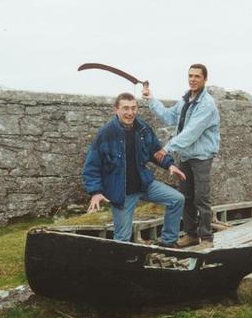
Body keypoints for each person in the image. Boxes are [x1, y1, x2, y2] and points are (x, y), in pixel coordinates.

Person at [82, 92, 187, 247]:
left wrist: (169, 164)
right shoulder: (106, 134)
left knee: (177, 199)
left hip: (144, 183)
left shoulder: (143, 128)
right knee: (122, 240)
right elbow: (91, 167)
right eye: (125, 108)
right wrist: (96, 192)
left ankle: (169, 243)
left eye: (133, 108)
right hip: (122, 192)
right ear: (116, 110)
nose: (130, 113)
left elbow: (155, 151)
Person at [142, 63, 220, 247]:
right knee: (186, 197)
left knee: (202, 198)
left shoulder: (206, 104)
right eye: (190, 76)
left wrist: (167, 148)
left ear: (205, 80)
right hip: (185, 156)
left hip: (201, 157)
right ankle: (191, 235)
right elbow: (169, 117)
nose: (193, 79)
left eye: (197, 77)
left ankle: (207, 238)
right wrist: (151, 99)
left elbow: (191, 132)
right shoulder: (186, 100)